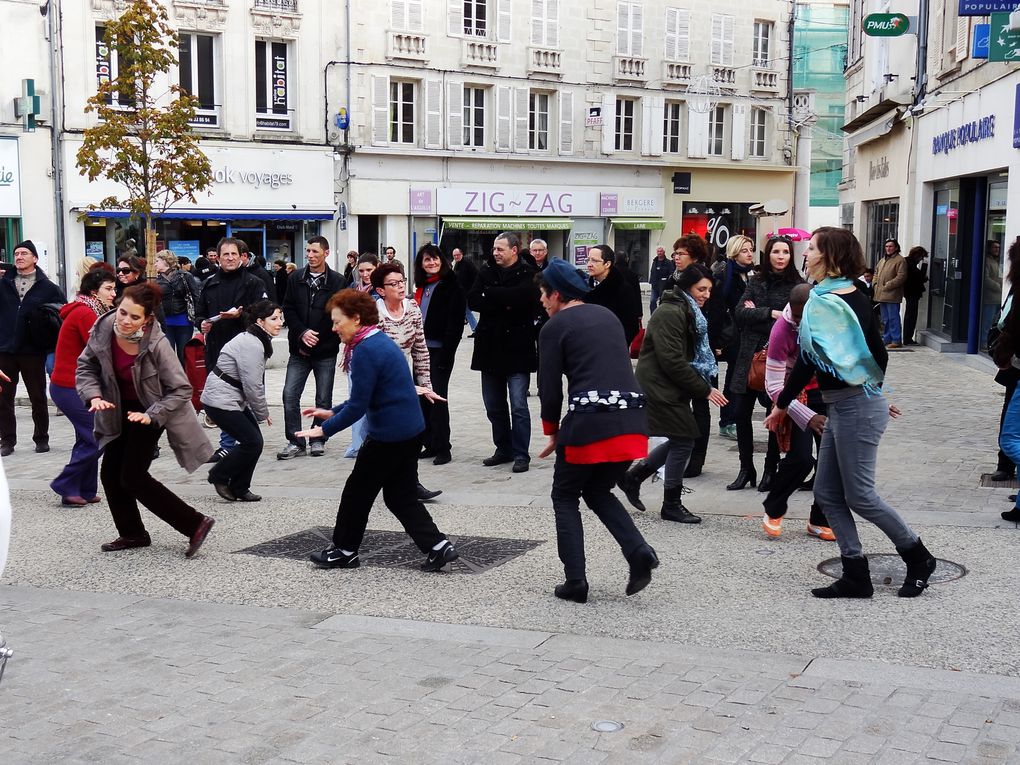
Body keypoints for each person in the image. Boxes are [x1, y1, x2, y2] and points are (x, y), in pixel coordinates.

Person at [766, 227, 936, 599]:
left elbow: (814, 362)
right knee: (827, 493)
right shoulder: (841, 295)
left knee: (860, 495)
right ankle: (856, 574)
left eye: (810, 249)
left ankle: (918, 556)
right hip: (842, 404)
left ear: (829, 257)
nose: (805, 254)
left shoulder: (833, 300)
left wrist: (866, 391)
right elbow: (831, 359)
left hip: (855, 405)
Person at [297, 290, 458, 572]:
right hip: (410, 430)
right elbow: (366, 396)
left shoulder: (365, 350)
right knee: (400, 495)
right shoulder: (377, 340)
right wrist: (332, 412)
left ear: (356, 319)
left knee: (356, 493)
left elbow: (359, 406)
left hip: (390, 436)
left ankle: (344, 551)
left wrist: (323, 431)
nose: (333, 328)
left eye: (337, 322)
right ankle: (438, 546)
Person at [537, 259, 658, 602]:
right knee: (597, 490)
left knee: (564, 495)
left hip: (590, 422)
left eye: (543, 296)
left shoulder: (555, 327)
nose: (542, 302)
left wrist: (551, 431)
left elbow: (549, 387)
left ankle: (575, 581)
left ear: (556, 294)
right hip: (634, 421)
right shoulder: (607, 316)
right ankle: (638, 552)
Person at [76, 283, 216, 557]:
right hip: (116, 408)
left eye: (134, 317)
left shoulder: (157, 345)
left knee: (133, 476)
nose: (125, 321)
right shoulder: (103, 328)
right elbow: (86, 365)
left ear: (148, 319)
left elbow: (181, 389)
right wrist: (93, 395)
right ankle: (133, 533)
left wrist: (151, 415)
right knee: (110, 474)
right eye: (123, 313)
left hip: (151, 410)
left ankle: (195, 523)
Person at [619, 264, 728, 522]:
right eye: (701, 289)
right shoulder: (671, 312)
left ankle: (634, 478)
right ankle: (670, 503)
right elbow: (672, 360)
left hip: (668, 385)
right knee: (685, 437)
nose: (706, 295)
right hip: (658, 385)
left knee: (682, 438)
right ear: (687, 287)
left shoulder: (686, 310)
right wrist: (704, 389)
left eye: (709, 290)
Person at [728, 235, 803, 492]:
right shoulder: (756, 281)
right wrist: (771, 313)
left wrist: (757, 313)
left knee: (776, 415)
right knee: (740, 414)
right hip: (749, 356)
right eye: (775, 252)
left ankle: (771, 469)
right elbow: (739, 313)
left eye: (785, 252)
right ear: (768, 254)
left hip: (779, 359)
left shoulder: (798, 285)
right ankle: (746, 468)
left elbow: (795, 322)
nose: (780, 256)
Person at [760, 284, 835, 541]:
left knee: (831, 460)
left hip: (826, 392)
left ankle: (819, 519)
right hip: (794, 394)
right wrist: (807, 416)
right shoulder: (782, 328)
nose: (802, 323)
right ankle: (774, 507)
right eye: (798, 318)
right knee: (801, 458)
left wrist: (875, 395)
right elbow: (773, 386)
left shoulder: (829, 319)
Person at [467, 232, 540, 474]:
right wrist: (504, 301)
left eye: (500, 249)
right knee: (493, 405)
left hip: (518, 349)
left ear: (514, 250)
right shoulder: (486, 271)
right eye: (494, 249)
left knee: (519, 405)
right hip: (490, 348)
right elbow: (474, 300)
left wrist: (494, 295)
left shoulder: (529, 274)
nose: (495, 253)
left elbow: (526, 300)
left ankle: (521, 453)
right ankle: (503, 448)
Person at [372, 262, 442, 501]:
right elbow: (373, 358)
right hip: (379, 383)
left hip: (405, 381)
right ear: (381, 290)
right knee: (382, 440)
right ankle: (375, 483)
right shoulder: (374, 313)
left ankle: (408, 484)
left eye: (402, 281)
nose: (401, 287)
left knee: (411, 432)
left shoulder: (412, 308)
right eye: (394, 284)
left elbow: (420, 350)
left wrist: (426, 386)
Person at [195, 237, 268, 463]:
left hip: (247, 350)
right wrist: (202, 324)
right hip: (217, 349)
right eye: (225, 254)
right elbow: (199, 314)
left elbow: (265, 315)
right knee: (224, 400)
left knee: (243, 398)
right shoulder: (209, 283)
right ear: (217, 257)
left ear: (241, 256)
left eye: (233, 254)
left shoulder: (254, 283)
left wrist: (241, 315)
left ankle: (246, 443)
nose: (229, 258)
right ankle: (231, 445)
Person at [202, 300, 282, 502]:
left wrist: (260, 411)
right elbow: (253, 385)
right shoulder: (252, 344)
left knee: (254, 442)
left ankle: (240, 487)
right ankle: (219, 475)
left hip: (230, 398)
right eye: (274, 319)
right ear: (260, 321)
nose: (279, 322)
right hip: (219, 400)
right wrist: (263, 413)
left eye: (281, 318)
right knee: (252, 442)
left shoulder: (256, 338)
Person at [48, 268, 117, 505]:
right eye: (108, 289)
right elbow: (101, 351)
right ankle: (65, 483)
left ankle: (84, 490)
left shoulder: (89, 309)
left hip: (74, 385)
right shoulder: (85, 313)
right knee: (99, 436)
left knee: (87, 437)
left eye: (114, 288)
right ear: (93, 291)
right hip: (70, 386)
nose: (113, 293)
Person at [669, 233, 730, 479]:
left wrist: (713, 344)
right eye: (675, 253)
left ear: (693, 256)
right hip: (683, 354)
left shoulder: (706, 281)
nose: (676, 258)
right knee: (682, 405)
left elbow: (715, 316)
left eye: (680, 253)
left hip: (703, 357)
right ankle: (679, 456)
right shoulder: (675, 280)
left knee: (701, 406)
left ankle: (696, 460)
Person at [278, 236, 344, 460]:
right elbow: (288, 308)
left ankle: (318, 438)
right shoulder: (295, 278)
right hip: (298, 349)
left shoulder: (338, 281)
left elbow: (337, 314)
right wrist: (302, 332)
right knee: (289, 395)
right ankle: (295, 440)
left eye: (315, 251)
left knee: (323, 398)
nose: (310, 255)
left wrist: (317, 336)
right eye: (308, 251)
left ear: (326, 252)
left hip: (325, 350)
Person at [0, 240, 67, 457]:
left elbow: (62, 313)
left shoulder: (48, 287)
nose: (19, 257)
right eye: (16, 253)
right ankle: (7, 440)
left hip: (32, 350)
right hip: (5, 350)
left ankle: (41, 438)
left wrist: (49, 338)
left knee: (37, 396)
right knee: (3, 398)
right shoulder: (3, 283)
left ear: (35, 258)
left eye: (24, 253)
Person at [413, 244, 466, 465]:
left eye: (435, 259)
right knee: (422, 397)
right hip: (420, 350)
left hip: (440, 349)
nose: (432, 263)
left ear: (442, 261)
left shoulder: (452, 285)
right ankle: (431, 443)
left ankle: (444, 446)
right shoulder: (422, 286)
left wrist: (446, 354)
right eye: (427, 260)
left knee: (437, 397)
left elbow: (455, 326)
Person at [712, 235, 755, 440]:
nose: (750, 254)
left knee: (743, 377)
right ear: (735, 252)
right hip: (733, 334)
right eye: (745, 250)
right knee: (733, 377)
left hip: (749, 332)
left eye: (751, 250)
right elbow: (719, 306)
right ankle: (727, 420)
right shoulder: (725, 274)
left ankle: (735, 418)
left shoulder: (751, 275)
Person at [583, 244, 642, 346]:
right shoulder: (585, 287)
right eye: (588, 260)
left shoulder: (622, 289)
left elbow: (631, 327)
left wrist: (612, 344)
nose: (589, 264)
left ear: (607, 264)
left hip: (611, 350)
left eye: (594, 261)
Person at [154, 251, 197, 366]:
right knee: (168, 356)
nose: (155, 264)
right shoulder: (157, 281)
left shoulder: (184, 276)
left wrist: (198, 318)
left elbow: (196, 296)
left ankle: (185, 381)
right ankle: (174, 382)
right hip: (166, 323)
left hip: (184, 321)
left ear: (166, 261)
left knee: (184, 356)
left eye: (157, 261)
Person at [873, 238, 907, 348]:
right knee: (885, 319)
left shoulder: (900, 260)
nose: (888, 248)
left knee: (893, 318)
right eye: (887, 246)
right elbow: (876, 273)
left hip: (892, 294)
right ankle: (887, 338)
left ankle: (896, 340)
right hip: (881, 294)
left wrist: (888, 285)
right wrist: (875, 284)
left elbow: (901, 276)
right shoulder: (882, 260)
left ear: (896, 247)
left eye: (891, 246)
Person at [900, 246, 928, 347]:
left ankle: (907, 337)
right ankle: (908, 338)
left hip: (911, 292)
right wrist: (925, 265)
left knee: (910, 314)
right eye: (921, 257)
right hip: (911, 292)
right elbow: (918, 277)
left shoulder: (909, 262)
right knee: (911, 315)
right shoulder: (909, 263)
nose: (921, 260)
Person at [452, 248, 479, 335]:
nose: (456, 257)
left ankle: (475, 329)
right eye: (454, 255)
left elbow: (476, 276)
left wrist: (472, 290)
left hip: (466, 292)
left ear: (462, 254)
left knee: (466, 311)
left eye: (458, 255)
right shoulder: (457, 264)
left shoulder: (467, 263)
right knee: (465, 311)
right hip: (460, 293)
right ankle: (475, 329)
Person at [649, 246, 674, 314]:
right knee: (652, 301)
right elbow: (652, 272)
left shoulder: (668, 262)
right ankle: (653, 316)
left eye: (661, 251)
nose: (659, 253)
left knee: (662, 302)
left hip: (664, 286)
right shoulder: (655, 262)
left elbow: (672, 273)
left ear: (664, 252)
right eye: (658, 251)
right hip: (655, 285)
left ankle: (661, 316)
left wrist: (667, 281)